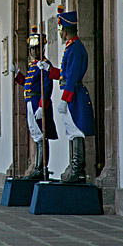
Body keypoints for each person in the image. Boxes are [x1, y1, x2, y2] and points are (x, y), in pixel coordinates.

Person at [38, 10, 94, 183]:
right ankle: (74, 168)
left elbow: (72, 76)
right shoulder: (71, 47)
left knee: (76, 131)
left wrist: (65, 99)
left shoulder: (75, 47)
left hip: (74, 95)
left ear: (66, 29)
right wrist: (49, 69)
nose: (60, 33)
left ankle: (78, 170)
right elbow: (64, 74)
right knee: (71, 131)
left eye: (61, 29)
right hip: (71, 94)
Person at [11, 25, 59, 180]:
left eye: (35, 49)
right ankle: (37, 166)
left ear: (41, 49)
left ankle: (42, 167)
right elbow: (27, 83)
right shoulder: (33, 66)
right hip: (30, 101)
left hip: (38, 102)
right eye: (31, 49)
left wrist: (41, 106)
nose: (33, 52)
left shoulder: (44, 65)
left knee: (42, 135)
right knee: (36, 135)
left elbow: (47, 87)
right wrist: (18, 75)